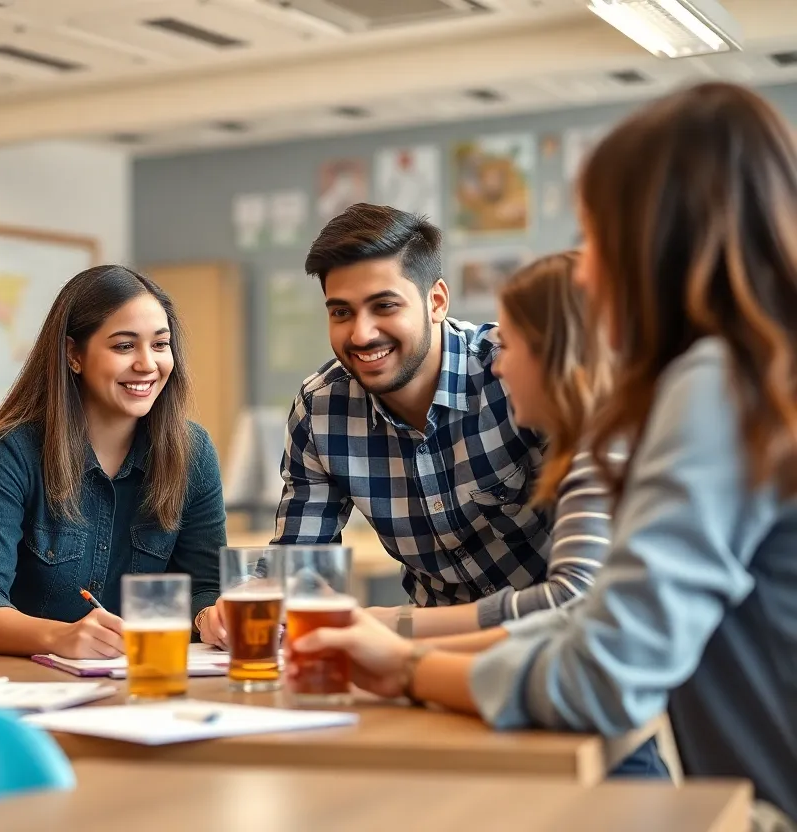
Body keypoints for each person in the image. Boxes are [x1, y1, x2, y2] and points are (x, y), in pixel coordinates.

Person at [292, 82, 797, 821]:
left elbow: (602, 672)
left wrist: (406, 665)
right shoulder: (751, 376)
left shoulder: (719, 389)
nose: (585, 273)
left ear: (657, 241)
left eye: (597, 240)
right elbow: (601, 626)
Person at [273, 203, 550, 635]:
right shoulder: (321, 410)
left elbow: (589, 587)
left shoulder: (516, 374)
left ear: (436, 301)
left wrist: (389, 624)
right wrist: (252, 597)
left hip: (549, 650)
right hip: (424, 655)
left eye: (384, 306)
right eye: (341, 312)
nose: (361, 335)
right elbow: (298, 573)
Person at [0, 265, 227, 658]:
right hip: (38, 686)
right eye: (124, 346)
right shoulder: (11, 453)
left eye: (160, 345)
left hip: (154, 681)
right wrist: (58, 638)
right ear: (73, 354)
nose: (148, 363)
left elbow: (205, 587)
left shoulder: (193, 453)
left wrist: (211, 618)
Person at [381, 251, 615, 636]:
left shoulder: (605, 449)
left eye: (508, 344)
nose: (496, 365)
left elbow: (572, 599)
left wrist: (399, 631)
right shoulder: (589, 444)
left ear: (554, 352)